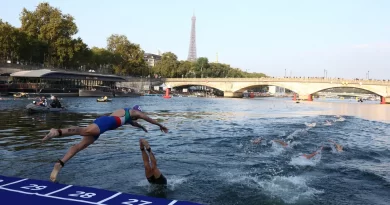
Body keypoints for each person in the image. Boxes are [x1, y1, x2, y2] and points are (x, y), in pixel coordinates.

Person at [42, 105, 169, 182]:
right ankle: (57, 132)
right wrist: (160, 125)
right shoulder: (133, 112)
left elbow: (134, 123)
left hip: (104, 124)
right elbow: (148, 118)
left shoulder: (128, 118)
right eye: (138, 116)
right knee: (83, 130)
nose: (138, 118)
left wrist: (142, 128)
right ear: (137, 112)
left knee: (80, 146)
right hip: (106, 122)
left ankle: (60, 163)